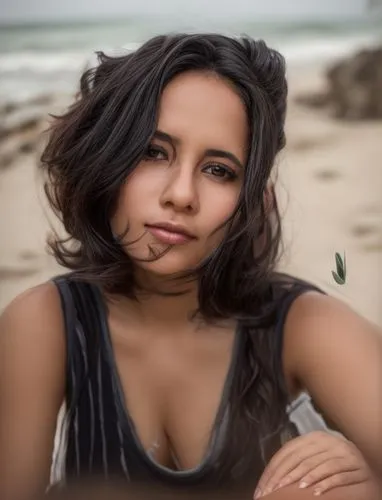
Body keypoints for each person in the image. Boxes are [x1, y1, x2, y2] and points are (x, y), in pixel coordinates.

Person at [0, 34, 381, 500]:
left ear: (249, 199)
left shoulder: (304, 325)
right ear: (105, 156)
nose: (181, 194)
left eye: (219, 169)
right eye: (153, 152)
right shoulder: (45, 323)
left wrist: (365, 484)